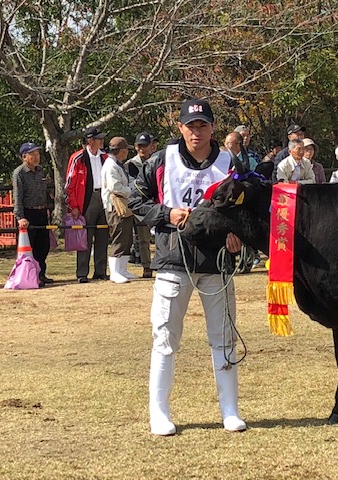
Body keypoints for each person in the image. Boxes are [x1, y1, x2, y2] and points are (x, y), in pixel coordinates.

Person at [129, 98, 246, 436]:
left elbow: (243, 205)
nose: (197, 132)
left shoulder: (228, 161)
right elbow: (136, 200)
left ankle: (230, 410)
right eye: (191, 126)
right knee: (165, 337)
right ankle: (159, 412)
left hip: (216, 262)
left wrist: (237, 233)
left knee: (223, 337)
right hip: (172, 258)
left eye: (203, 125)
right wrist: (167, 214)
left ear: (212, 128)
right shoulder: (161, 160)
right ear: (180, 127)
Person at [65, 127, 109, 283]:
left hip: (103, 198)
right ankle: (82, 272)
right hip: (86, 199)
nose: (102, 141)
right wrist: (74, 205)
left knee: (103, 235)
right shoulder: (78, 158)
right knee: (85, 237)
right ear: (90, 141)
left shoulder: (106, 157)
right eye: (99, 139)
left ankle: (101, 270)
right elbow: (70, 184)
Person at [12, 142, 51, 287]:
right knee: (30, 246)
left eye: (37, 154)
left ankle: (41, 273)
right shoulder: (19, 173)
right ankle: (31, 275)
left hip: (42, 211)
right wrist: (20, 216)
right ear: (24, 157)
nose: (36, 157)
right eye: (33, 155)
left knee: (43, 245)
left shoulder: (40, 171)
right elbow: (18, 196)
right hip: (28, 212)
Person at [101, 137, 135, 284]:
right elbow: (114, 187)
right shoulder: (111, 166)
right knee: (119, 236)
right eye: (126, 149)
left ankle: (122, 269)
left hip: (123, 205)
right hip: (115, 205)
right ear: (121, 151)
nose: (127, 152)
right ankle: (115, 272)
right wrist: (131, 190)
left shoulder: (118, 164)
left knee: (127, 237)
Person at [125, 132, 153, 277]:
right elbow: (132, 185)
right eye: (139, 146)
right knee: (142, 238)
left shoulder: (156, 161)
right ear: (135, 147)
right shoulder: (130, 164)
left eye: (145, 146)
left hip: (155, 203)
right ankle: (146, 266)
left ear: (151, 146)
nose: (142, 149)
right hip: (138, 205)